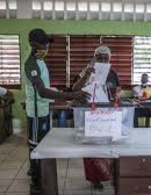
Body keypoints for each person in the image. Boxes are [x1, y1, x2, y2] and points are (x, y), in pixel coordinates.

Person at [24, 28, 89, 194]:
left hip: (44, 109)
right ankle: (36, 181)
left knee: (42, 144)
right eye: (42, 44)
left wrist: (67, 91)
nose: (46, 47)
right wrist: (70, 95)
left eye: (46, 44)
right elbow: (42, 91)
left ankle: (37, 172)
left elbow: (47, 88)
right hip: (36, 113)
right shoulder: (31, 64)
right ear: (32, 44)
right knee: (35, 145)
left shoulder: (40, 62)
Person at [72, 45, 120, 190]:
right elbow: (75, 89)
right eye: (100, 58)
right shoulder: (87, 71)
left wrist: (114, 100)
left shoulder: (112, 73)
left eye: (106, 58)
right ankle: (94, 179)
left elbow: (117, 90)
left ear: (109, 59)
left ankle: (111, 176)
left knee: (110, 147)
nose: (103, 60)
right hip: (91, 115)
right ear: (95, 58)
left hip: (108, 115)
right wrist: (87, 75)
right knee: (91, 149)